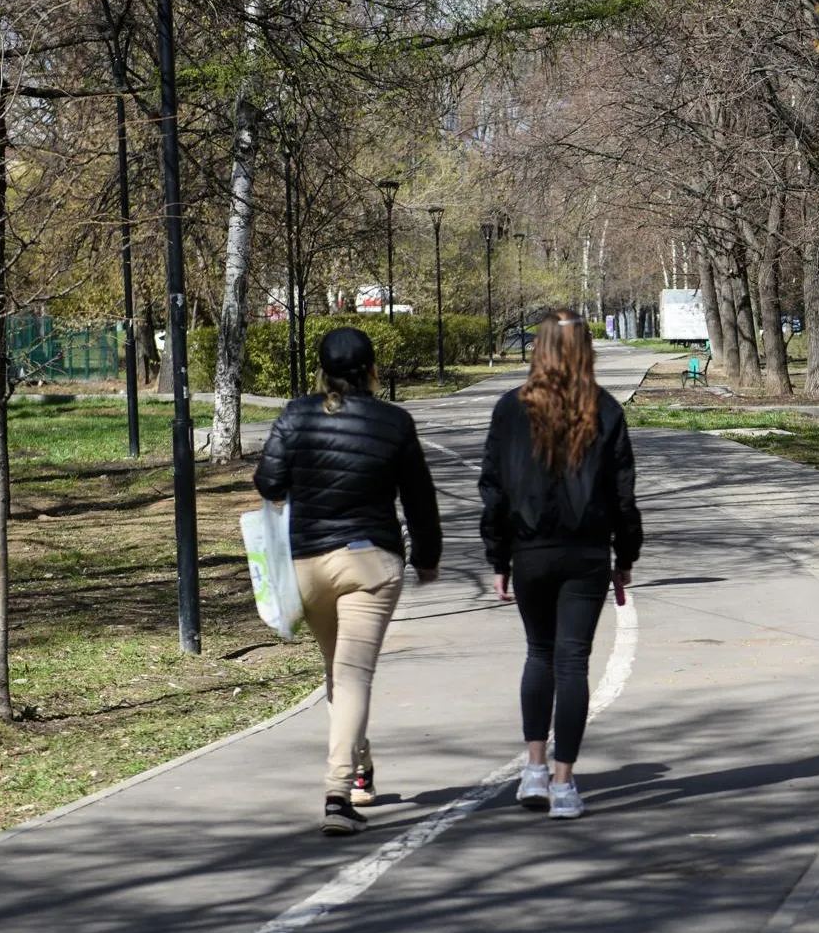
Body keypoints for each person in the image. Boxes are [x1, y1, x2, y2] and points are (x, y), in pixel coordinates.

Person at [255, 327, 442, 835]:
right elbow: (419, 497)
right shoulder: (394, 422)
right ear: (371, 368)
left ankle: (360, 772)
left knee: (338, 673)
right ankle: (339, 794)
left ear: (322, 369)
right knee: (353, 674)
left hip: (308, 566)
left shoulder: (296, 415)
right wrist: (427, 557)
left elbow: (268, 482)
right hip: (370, 566)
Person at [480, 309, 641, 820]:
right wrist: (625, 555)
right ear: (586, 351)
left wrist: (498, 555)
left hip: (530, 551)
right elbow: (623, 493)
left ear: (540, 349)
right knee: (573, 661)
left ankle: (533, 768)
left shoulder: (511, 409)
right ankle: (565, 783)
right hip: (587, 552)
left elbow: (494, 488)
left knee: (539, 653)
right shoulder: (605, 409)